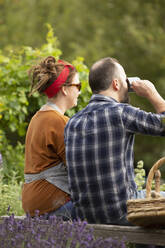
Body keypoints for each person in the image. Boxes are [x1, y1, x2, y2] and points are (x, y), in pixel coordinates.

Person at [64, 57, 165, 225]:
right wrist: (152, 93)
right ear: (116, 84)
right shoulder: (121, 113)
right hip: (122, 213)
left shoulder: (72, 123)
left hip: (85, 218)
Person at [22, 56, 81, 220]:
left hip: (34, 205)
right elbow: (78, 171)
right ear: (65, 89)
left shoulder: (38, 117)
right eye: (78, 86)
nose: (80, 91)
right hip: (52, 207)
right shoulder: (59, 121)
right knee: (111, 209)